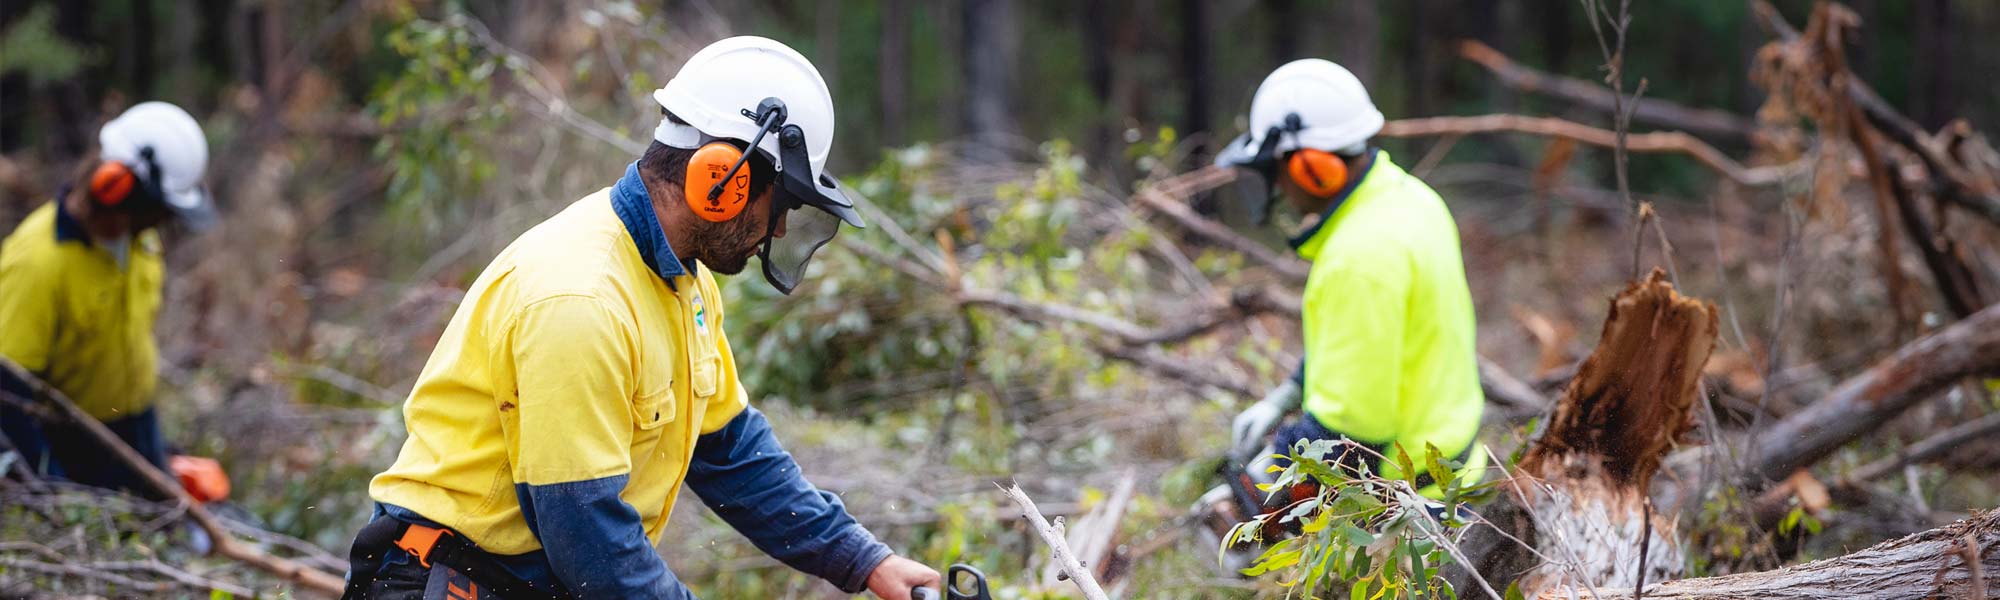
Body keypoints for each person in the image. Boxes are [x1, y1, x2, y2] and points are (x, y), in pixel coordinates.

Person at [340, 37, 939, 599]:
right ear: (724, 177)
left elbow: (731, 451)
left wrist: (864, 561)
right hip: (447, 581)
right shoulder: (580, 299)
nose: (779, 228)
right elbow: (591, 543)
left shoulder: (684, 281)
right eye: (779, 202)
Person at [1210, 58, 1487, 512]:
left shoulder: (1360, 257)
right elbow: (1369, 345)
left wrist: (1260, 496)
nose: (1278, 186)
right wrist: (1288, 394)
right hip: (1458, 471)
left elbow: (1351, 432)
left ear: (1311, 168)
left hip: (1412, 513)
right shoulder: (1411, 199)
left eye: (1278, 170)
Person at [0, 101, 215, 497]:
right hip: (73, 439)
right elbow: (9, 394)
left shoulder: (140, 242)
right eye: (158, 211)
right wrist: (54, 491)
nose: (161, 223)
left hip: (137, 423)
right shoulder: (36, 263)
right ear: (117, 189)